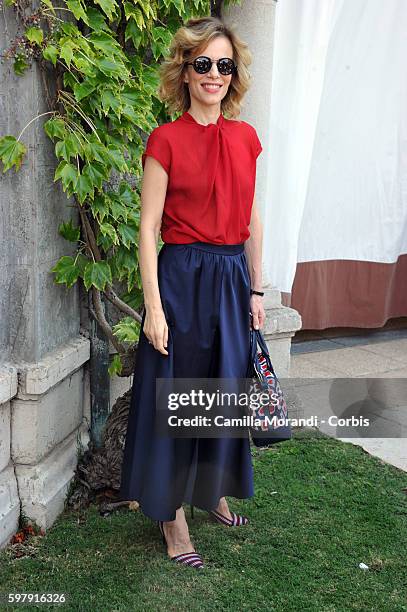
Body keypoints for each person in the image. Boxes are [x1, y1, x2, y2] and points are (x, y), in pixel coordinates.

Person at [119, 15, 265, 570]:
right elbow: (148, 228)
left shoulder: (248, 138)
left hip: (230, 279)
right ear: (185, 70)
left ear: (233, 74)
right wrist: (153, 308)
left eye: (223, 65)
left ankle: (212, 491)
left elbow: (252, 222)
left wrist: (256, 290)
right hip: (181, 279)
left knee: (222, 394)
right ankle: (172, 516)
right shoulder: (166, 139)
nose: (214, 74)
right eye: (203, 63)